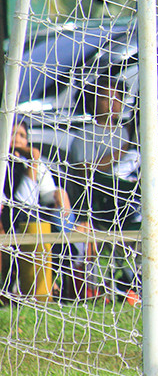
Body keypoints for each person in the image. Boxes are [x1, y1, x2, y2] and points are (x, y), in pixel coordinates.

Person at [1, 119, 91, 300]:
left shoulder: (34, 163)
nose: (17, 140)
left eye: (22, 136)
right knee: (28, 214)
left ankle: (76, 289)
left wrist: (59, 193)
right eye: (12, 134)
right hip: (11, 219)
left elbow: (48, 193)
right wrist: (33, 157)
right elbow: (22, 201)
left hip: (37, 219)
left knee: (83, 225)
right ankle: (28, 287)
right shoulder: (5, 165)